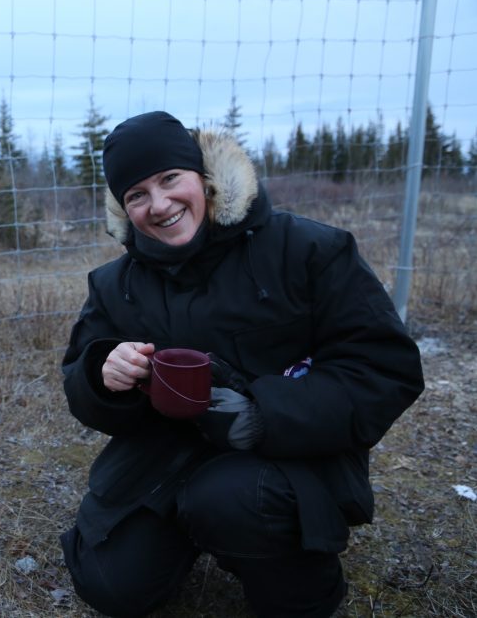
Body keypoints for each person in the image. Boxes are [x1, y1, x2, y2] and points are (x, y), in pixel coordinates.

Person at [59, 111, 424, 618]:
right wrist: (102, 375)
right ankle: (180, 534)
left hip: (293, 455)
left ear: (204, 178)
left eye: (170, 179)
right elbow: (78, 379)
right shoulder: (115, 284)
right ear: (124, 208)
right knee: (111, 586)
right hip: (166, 458)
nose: (159, 204)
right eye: (136, 194)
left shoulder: (307, 250)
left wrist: (265, 414)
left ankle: (305, 588)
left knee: (229, 501)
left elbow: (384, 368)